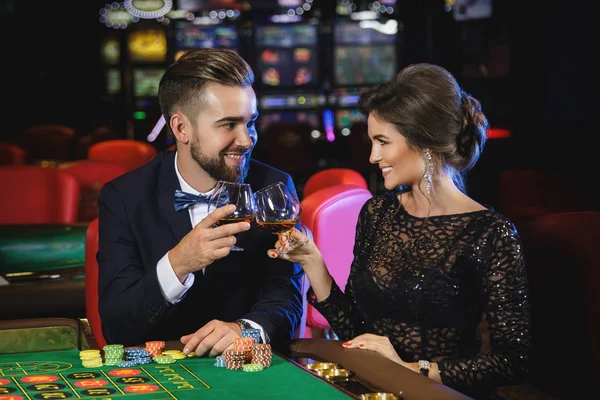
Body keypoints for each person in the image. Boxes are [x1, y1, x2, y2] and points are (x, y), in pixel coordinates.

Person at [269, 63, 531, 399]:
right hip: (377, 387)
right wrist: (312, 261)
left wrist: (415, 370)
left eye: (382, 141)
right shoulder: (377, 213)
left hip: (440, 393)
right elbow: (356, 331)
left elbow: (514, 362)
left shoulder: (491, 232)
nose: (372, 155)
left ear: (424, 142)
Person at [97, 48, 304, 356]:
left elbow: (286, 296)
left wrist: (245, 329)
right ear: (181, 128)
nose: (247, 139)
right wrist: (179, 262)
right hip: (163, 374)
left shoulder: (272, 185)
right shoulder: (125, 197)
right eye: (228, 125)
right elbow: (117, 326)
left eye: (250, 122)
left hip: (248, 371)